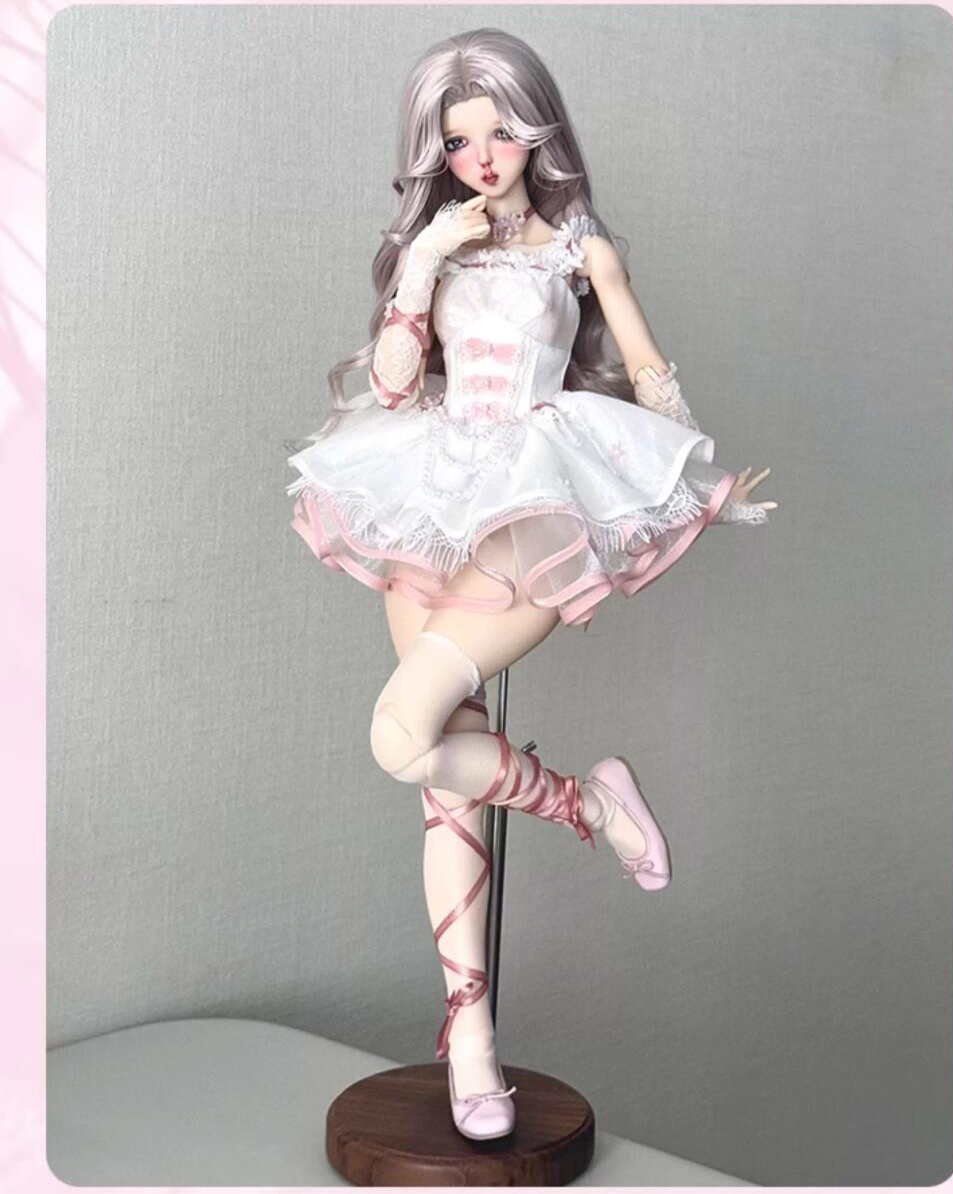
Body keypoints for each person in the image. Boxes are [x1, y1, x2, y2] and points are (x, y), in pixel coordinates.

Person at [285, 27, 776, 1141]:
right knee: (442, 778)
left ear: (538, 132)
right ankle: (473, 1045)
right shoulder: (443, 243)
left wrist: (700, 486)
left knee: (399, 735)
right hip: (428, 489)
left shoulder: (579, 252)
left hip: (531, 499)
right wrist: (423, 260)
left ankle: (588, 807)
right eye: (459, 140)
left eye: (500, 132)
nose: (482, 156)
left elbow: (646, 372)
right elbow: (396, 385)